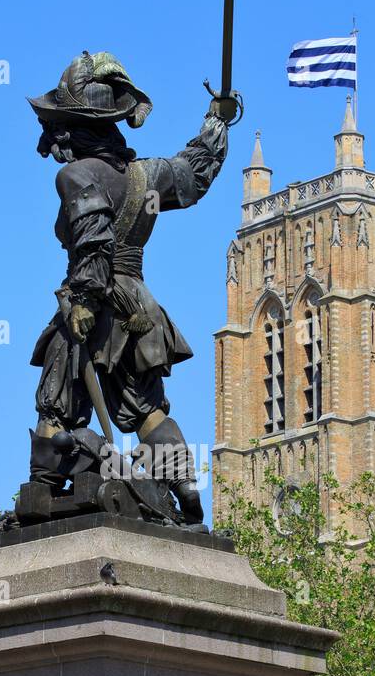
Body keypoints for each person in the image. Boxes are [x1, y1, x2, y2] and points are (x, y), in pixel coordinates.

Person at [27, 50, 237, 524]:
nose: (52, 139)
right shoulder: (147, 175)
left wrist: (82, 302)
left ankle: (40, 498)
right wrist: (217, 123)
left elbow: (93, 239)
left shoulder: (75, 174)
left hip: (95, 296)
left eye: (57, 126)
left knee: (55, 403)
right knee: (147, 409)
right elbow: (194, 172)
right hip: (140, 304)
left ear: (73, 126)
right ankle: (183, 484)